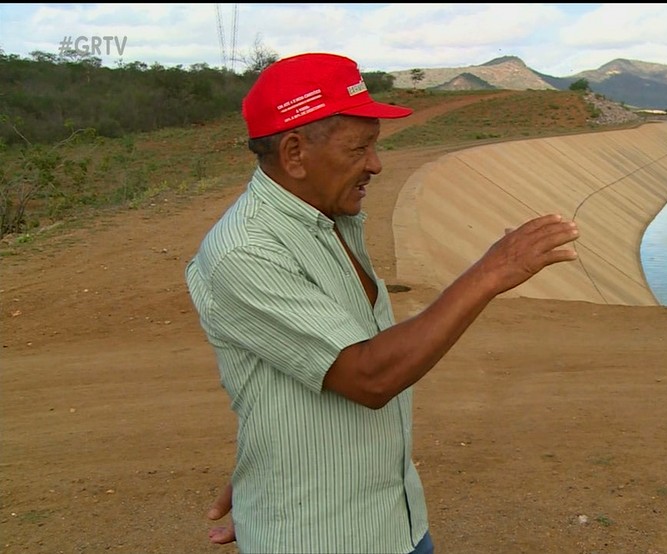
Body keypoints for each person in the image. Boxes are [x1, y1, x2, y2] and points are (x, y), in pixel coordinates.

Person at [184, 52, 581, 554]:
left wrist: (262, 469)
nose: (376, 164)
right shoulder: (245, 252)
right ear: (294, 153)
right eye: (360, 148)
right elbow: (369, 376)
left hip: (394, 523)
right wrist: (492, 271)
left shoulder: (333, 219)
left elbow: (297, 374)